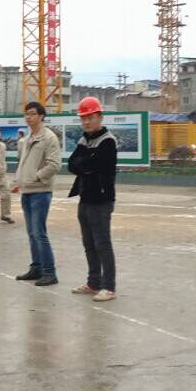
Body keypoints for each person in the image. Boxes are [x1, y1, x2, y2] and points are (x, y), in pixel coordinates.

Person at [68, 97, 118, 302]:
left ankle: (109, 286)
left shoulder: (108, 141)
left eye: (90, 117)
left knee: (102, 243)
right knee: (88, 243)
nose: (86, 122)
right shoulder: (84, 140)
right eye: (83, 118)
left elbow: (96, 166)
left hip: (101, 200)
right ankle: (93, 282)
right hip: (85, 198)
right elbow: (72, 164)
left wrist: (85, 164)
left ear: (100, 117)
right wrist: (86, 164)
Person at [14, 101, 61, 287]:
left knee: (39, 232)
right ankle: (36, 268)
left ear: (41, 116)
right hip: (27, 191)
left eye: (32, 113)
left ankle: (50, 272)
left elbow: (54, 165)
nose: (28, 117)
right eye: (26, 114)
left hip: (40, 191)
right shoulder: (27, 139)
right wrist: (19, 180)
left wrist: (36, 177)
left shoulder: (48, 138)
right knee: (32, 233)